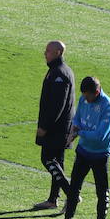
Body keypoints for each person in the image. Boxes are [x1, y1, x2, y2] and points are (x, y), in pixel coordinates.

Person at [54, 75, 110, 219]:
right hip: (83, 151)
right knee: (74, 188)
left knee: (101, 192)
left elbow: (100, 136)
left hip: (100, 154)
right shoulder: (83, 99)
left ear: (96, 92)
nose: (85, 99)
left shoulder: (108, 106)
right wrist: (74, 128)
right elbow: (77, 118)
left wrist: (78, 133)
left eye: (88, 96)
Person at [33, 40, 75, 210]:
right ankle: (53, 200)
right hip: (61, 128)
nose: (45, 53)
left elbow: (57, 106)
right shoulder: (60, 70)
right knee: (58, 163)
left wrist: (44, 126)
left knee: (48, 159)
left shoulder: (59, 74)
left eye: (48, 51)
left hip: (57, 129)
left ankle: (71, 194)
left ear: (58, 52)